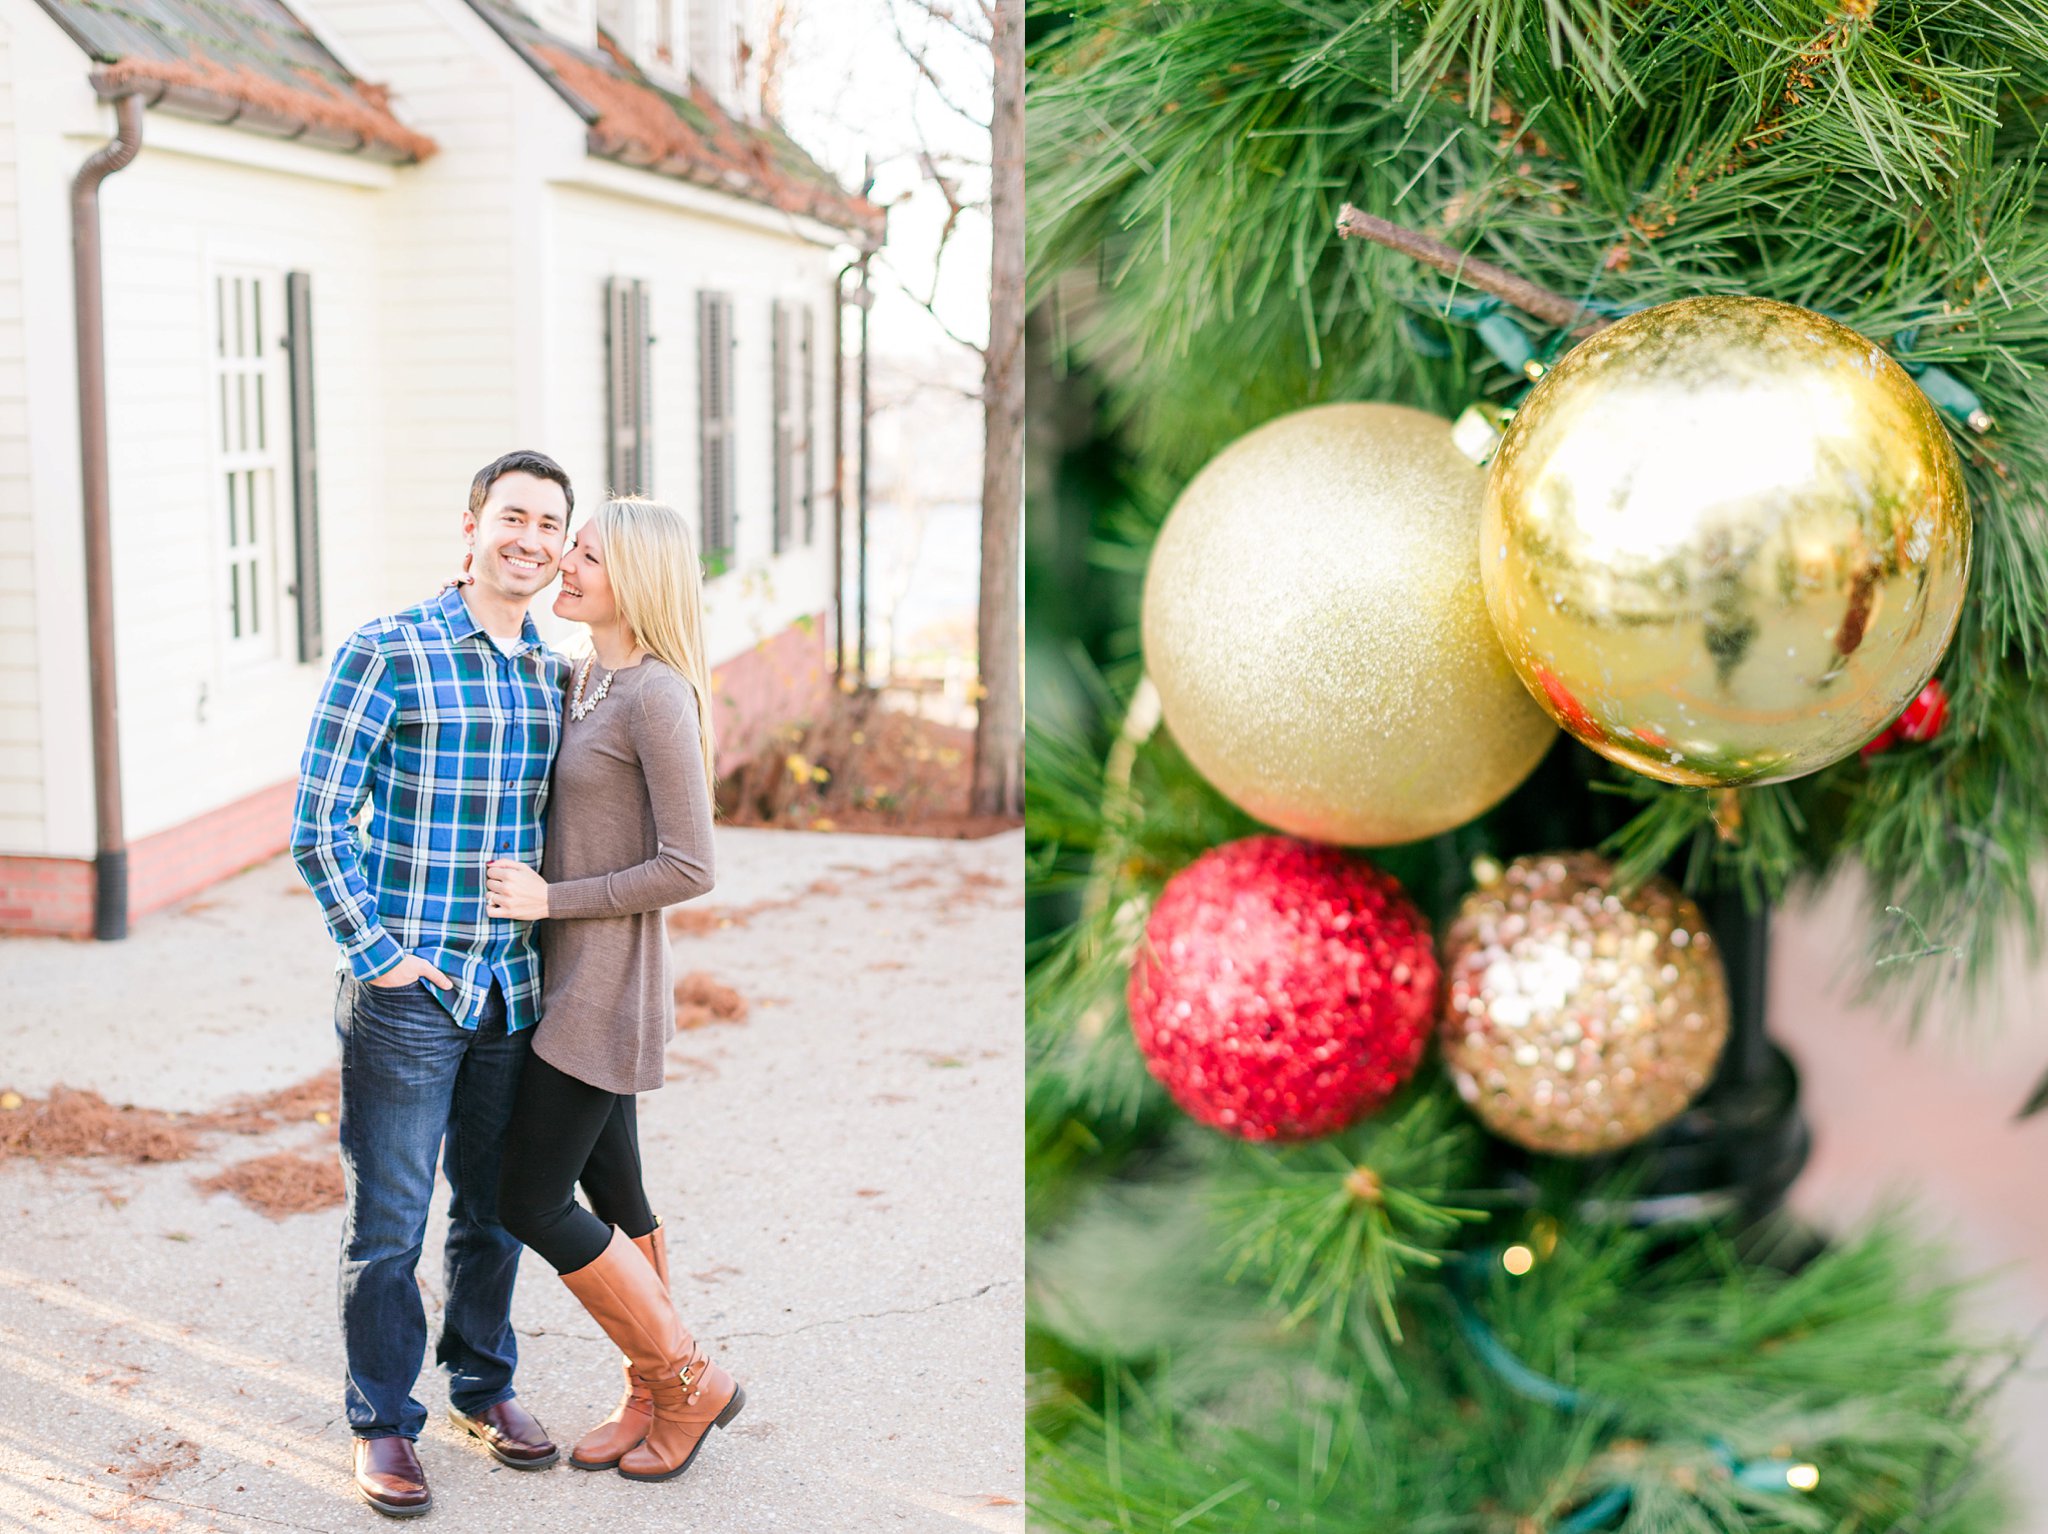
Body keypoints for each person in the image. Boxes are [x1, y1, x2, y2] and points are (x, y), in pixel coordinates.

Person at [289, 450, 575, 1518]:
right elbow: (319, 823)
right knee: (390, 1226)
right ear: (470, 527)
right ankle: (382, 1421)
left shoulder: (555, 674)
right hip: (410, 993)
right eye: (513, 516)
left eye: (550, 524)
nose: (531, 539)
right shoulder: (389, 649)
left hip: (511, 989)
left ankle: (481, 1386)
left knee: (494, 1214)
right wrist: (382, 955)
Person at [483, 496, 744, 1484]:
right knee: (617, 1188)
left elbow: (691, 864)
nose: (565, 567)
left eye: (586, 555)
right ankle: (651, 1388)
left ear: (634, 576)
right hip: (560, 979)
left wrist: (552, 899)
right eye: (570, 551)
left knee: (530, 1196)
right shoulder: (587, 676)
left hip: (604, 987)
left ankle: (687, 1379)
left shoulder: (656, 697)